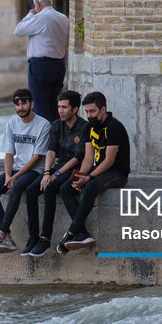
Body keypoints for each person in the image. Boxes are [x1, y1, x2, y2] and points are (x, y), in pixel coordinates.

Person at [56, 91, 131, 254]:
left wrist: (89, 178)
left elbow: (109, 161)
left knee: (90, 187)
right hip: (98, 171)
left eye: (92, 111)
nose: (89, 115)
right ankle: (82, 233)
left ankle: (71, 233)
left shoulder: (114, 127)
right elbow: (88, 158)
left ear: (103, 109)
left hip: (116, 173)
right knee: (65, 188)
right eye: (87, 112)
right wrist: (80, 177)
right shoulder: (90, 126)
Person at [22, 90, 88, 257]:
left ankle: (45, 238)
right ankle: (33, 238)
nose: (61, 111)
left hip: (75, 168)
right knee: (31, 190)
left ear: (75, 109)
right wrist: (46, 173)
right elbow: (50, 151)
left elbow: (78, 157)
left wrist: (56, 174)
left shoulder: (85, 127)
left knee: (51, 189)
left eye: (65, 107)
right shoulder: (56, 125)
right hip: (58, 166)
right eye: (59, 107)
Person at [0, 88, 50, 254]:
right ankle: (8, 238)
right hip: (15, 168)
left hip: (35, 170)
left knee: (18, 187)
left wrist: (15, 177)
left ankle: (1, 233)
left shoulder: (43, 125)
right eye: (17, 104)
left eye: (24, 103)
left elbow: (36, 157)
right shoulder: (11, 123)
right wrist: (8, 176)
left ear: (32, 104)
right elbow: (9, 153)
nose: (20, 107)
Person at [14, 0, 69, 123]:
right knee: (55, 106)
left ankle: (45, 140)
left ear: (37, 3)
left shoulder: (41, 17)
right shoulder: (63, 18)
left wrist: (30, 14)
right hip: (59, 65)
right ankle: (56, 137)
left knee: (39, 106)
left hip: (41, 66)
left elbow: (19, 30)